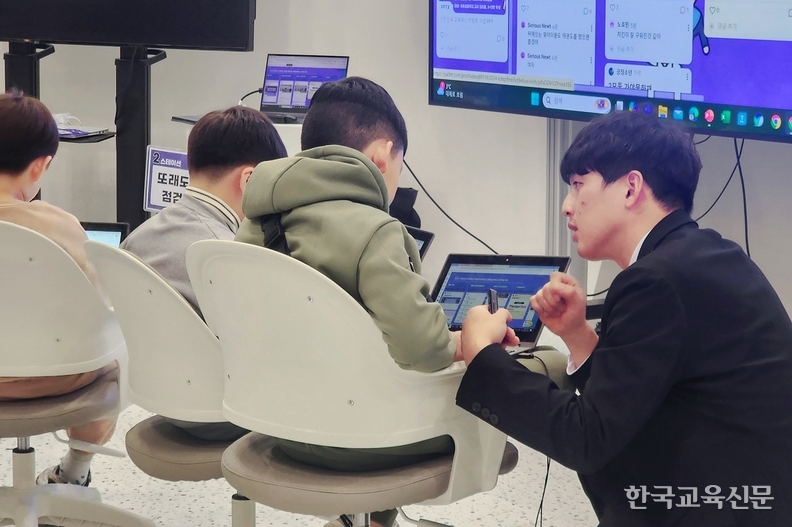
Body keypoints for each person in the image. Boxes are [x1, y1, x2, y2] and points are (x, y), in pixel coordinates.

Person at [237, 77, 569, 527]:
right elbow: (424, 351)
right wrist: (472, 339)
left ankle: (369, 520)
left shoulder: (253, 226)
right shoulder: (377, 231)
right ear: (382, 155)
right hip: (365, 439)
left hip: (280, 428)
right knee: (549, 361)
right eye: (399, 166)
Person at [455, 111, 792, 526]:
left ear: (631, 187)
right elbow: (637, 396)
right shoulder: (702, 256)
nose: (566, 206)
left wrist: (482, 354)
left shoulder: (656, 280)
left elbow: (587, 438)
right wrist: (577, 335)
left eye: (578, 185)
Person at [123, 106, 287, 441]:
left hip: (163, 402)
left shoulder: (137, 240)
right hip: (230, 413)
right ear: (249, 179)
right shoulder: (223, 255)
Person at [0, 90, 118, 486]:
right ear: (40, 165)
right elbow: (98, 308)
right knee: (115, 351)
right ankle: (74, 470)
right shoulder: (60, 224)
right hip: (59, 378)